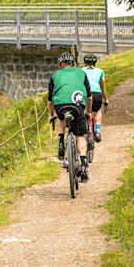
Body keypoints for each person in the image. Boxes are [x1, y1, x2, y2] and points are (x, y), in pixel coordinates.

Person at [48, 52, 93, 181]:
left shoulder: (55, 75)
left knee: (60, 117)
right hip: (77, 104)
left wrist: (51, 115)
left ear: (61, 64)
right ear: (73, 63)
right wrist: (89, 112)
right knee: (80, 136)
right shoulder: (81, 73)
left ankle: (61, 142)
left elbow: (50, 101)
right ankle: (83, 165)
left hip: (60, 105)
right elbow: (89, 97)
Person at [82, 54, 108, 142]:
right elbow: (103, 88)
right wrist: (106, 99)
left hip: (85, 93)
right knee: (98, 111)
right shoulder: (100, 71)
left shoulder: (81, 71)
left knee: (85, 110)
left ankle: (85, 128)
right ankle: (97, 131)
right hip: (97, 93)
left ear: (85, 62)